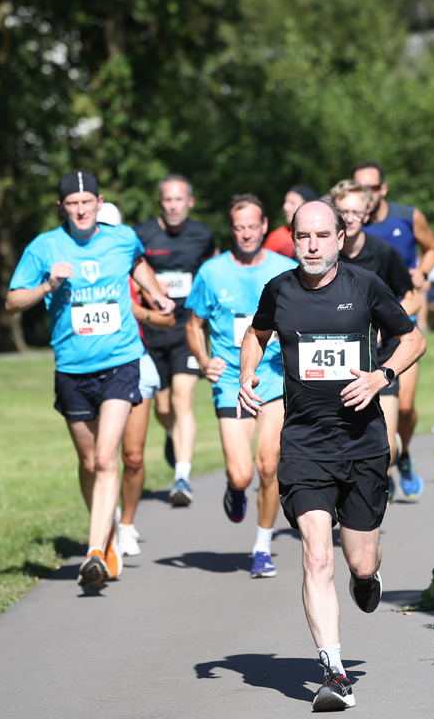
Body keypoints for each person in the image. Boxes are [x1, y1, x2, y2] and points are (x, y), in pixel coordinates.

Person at [238, 200, 427, 711]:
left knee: (358, 560)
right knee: (317, 554)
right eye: (304, 237)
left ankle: (367, 577)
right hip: (303, 444)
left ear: (341, 238)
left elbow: (413, 339)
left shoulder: (364, 286)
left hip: (363, 444)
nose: (314, 245)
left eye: (323, 235)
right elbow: (256, 337)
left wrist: (381, 376)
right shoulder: (279, 289)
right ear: (293, 239)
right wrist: (245, 374)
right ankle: (335, 673)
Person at [6, 172, 174, 590]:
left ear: (99, 202)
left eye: (87, 202)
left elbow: (138, 264)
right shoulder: (44, 247)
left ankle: (95, 552)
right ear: (61, 207)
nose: (81, 210)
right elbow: (12, 301)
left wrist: (156, 295)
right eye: (72, 203)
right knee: (87, 462)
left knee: (105, 458)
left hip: (120, 361)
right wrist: (49, 284)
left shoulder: (122, 237)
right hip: (72, 370)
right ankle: (107, 536)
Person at [185, 195, 297, 577]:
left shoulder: (286, 269)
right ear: (231, 230)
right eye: (239, 228)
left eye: (253, 226)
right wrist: (203, 361)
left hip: (274, 378)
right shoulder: (212, 272)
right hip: (232, 380)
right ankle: (234, 490)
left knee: (269, 466)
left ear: (264, 225)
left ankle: (261, 548)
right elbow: (193, 324)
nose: (246, 234)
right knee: (241, 475)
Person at [328, 180, 422, 496]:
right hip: (339, 358)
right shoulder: (325, 256)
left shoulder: (384, 253)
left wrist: (386, 321)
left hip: (383, 356)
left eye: (357, 211)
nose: (350, 217)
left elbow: (413, 297)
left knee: (385, 452)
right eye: (344, 211)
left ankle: (395, 453)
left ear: (367, 213)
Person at [354, 162, 434, 502]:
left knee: (404, 407)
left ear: (383, 189)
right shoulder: (347, 229)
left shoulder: (407, 217)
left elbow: (432, 247)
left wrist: (423, 271)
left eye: (372, 188)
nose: (367, 195)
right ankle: (382, 458)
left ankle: (402, 456)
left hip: (401, 323)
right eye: (360, 189)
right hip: (364, 329)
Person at [96, 202, 175, 558]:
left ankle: (126, 523)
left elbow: (167, 320)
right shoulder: (81, 271)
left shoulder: (137, 271)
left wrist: (137, 310)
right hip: (91, 367)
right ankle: (105, 520)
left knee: (133, 456)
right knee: (100, 457)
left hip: (135, 363)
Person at [134, 174, 217, 507]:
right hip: (153, 332)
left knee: (183, 399)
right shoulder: (142, 234)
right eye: (167, 200)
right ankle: (172, 435)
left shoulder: (202, 234)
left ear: (189, 202)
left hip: (188, 330)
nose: (173, 206)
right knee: (163, 407)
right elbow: (131, 277)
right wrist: (150, 290)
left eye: (179, 199)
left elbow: (212, 272)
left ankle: (182, 476)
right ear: (160, 202)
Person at [263, 185, 317, 258]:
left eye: (292, 203)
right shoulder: (276, 237)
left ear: (308, 205)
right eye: (285, 202)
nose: (285, 207)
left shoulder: (321, 235)